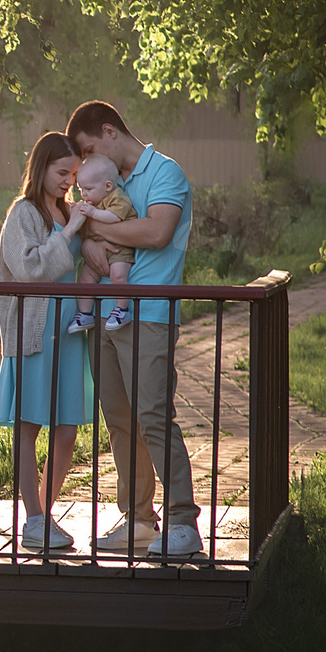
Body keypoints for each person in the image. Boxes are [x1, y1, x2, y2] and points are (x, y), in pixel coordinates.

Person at [64, 101, 200, 557]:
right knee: (120, 422)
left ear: (109, 131)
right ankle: (140, 519)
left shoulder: (166, 173)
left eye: (87, 149)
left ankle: (183, 522)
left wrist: (96, 231)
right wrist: (87, 242)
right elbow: (88, 225)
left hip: (150, 314)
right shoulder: (103, 182)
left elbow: (157, 232)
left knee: (155, 418)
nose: (84, 163)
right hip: (105, 312)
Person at [0, 133, 94, 551]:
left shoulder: (66, 209)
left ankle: (42, 518)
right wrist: (69, 233)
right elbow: (31, 268)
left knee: (66, 430)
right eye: (62, 172)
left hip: (69, 331)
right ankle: (34, 518)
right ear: (41, 167)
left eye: (73, 173)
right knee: (30, 425)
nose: (69, 180)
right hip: (34, 330)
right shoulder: (23, 212)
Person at [64, 153, 138, 332]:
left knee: (118, 275)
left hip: (119, 249)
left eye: (88, 189)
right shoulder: (94, 202)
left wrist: (92, 213)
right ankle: (85, 314)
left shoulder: (117, 198)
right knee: (85, 279)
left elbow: (114, 217)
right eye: (81, 189)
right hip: (97, 249)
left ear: (108, 186)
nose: (84, 193)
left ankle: (122, 309)